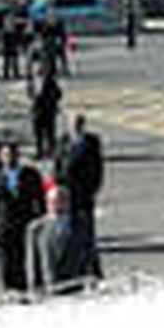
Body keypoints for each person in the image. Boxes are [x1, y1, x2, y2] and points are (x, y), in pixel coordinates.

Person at [0, 142, 46, 292]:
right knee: (7, 262)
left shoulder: (31, 174)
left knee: (25, 259)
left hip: (25, 222)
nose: (9, 158)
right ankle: (10, 289)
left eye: (12, 154)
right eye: (5, 155)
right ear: (0, 158)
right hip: (4, 225)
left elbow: (39, 198)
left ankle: (26, 288)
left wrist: (42, 220)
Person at [53, 112, 104, 274]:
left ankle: (92, 268)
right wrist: (57, 186)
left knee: (87, 231)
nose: (75, 126)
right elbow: (57, 164)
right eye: (72, 123)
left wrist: (93, 189)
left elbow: (98, 167)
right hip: (67, 193)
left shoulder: (92, 141)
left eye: (78, 123)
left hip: (83, 192)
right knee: (68, 229)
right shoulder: (63, 141)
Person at [28, 185, 99, 295]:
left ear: (67, 202)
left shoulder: (80, 224)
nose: (54, 205)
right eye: (51, 202)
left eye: (59, 201)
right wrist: (33, 287)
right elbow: (33, 261)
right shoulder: (37, 229)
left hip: (76, 286)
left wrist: (95, 277)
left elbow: (90, 253)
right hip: (50, 286)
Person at [29, 62, 61, 160]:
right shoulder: (32, 82)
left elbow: (59, 93)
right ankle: (39, 151)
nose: (37, 72)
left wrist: (51, 100)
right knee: (37, 133)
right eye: (35, 70)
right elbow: (30, 93)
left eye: (39, 69)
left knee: (49, 132)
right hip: (36, 111)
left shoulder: (50, 81)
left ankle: (51, 151)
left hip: (48, 110)